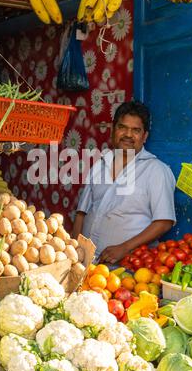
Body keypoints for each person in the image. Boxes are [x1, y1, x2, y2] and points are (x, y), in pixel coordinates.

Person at [72, 101, 176, 264]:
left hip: (130, 267)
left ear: (144, 136)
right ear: (113, 130)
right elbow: (81, 213)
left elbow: (164, 222)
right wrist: (74, 253)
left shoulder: (156, 170)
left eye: (136, 130)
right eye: (122, 127)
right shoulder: (100, 164)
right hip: (86, 264)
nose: (128, 135)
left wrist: (125, 247)